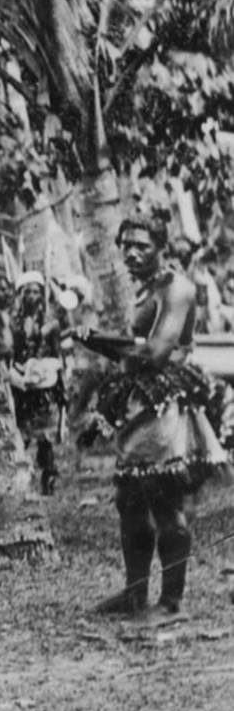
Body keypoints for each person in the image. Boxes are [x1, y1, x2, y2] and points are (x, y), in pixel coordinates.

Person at [74, 218, 229, 622]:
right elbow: (139, 351)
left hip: (166, 406)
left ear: (161, 246)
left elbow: (157, 352)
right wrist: (98, 340)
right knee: (130, 501)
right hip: (141, 404)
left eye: (142, 245)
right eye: (126, 245)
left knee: (165, 501)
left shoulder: (177, 288)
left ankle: (172, 602)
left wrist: (100, 341)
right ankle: (134, 593)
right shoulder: (146, 289)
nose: (132, 252)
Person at [8, 272, 65, 495]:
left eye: (36, 292)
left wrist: (47, 371)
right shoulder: (12, 324)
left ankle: (48, 478)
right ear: (19, 295)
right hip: (21, 383)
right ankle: (20, 477)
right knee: (21, 432)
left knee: (45, 435)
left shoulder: (51, 324)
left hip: (45, 384)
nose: (32, 296)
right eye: (27, 292)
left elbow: (58, 355)